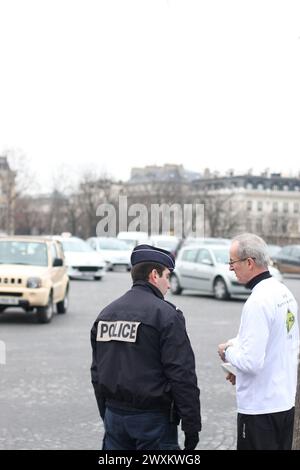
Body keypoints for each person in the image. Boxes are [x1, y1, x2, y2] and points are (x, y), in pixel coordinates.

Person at [91, 244, 201, 450]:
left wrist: (105, 413)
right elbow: (182, 374)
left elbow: (97, 372)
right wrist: (191, 425)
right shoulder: (167, 316)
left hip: (115, 418)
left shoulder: (106, 314)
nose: (169, 285)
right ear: (154, 275)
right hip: (153, 422)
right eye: (167, 276)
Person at [218, 233, 299, 450]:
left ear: (249, 263)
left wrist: (227, 352)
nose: (230, 268)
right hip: (283, 403)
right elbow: (278, 340)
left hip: (259, 410)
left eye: (232, 262)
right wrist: (236, 346)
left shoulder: (258, 301)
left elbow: (251, 363)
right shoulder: (284, 293)